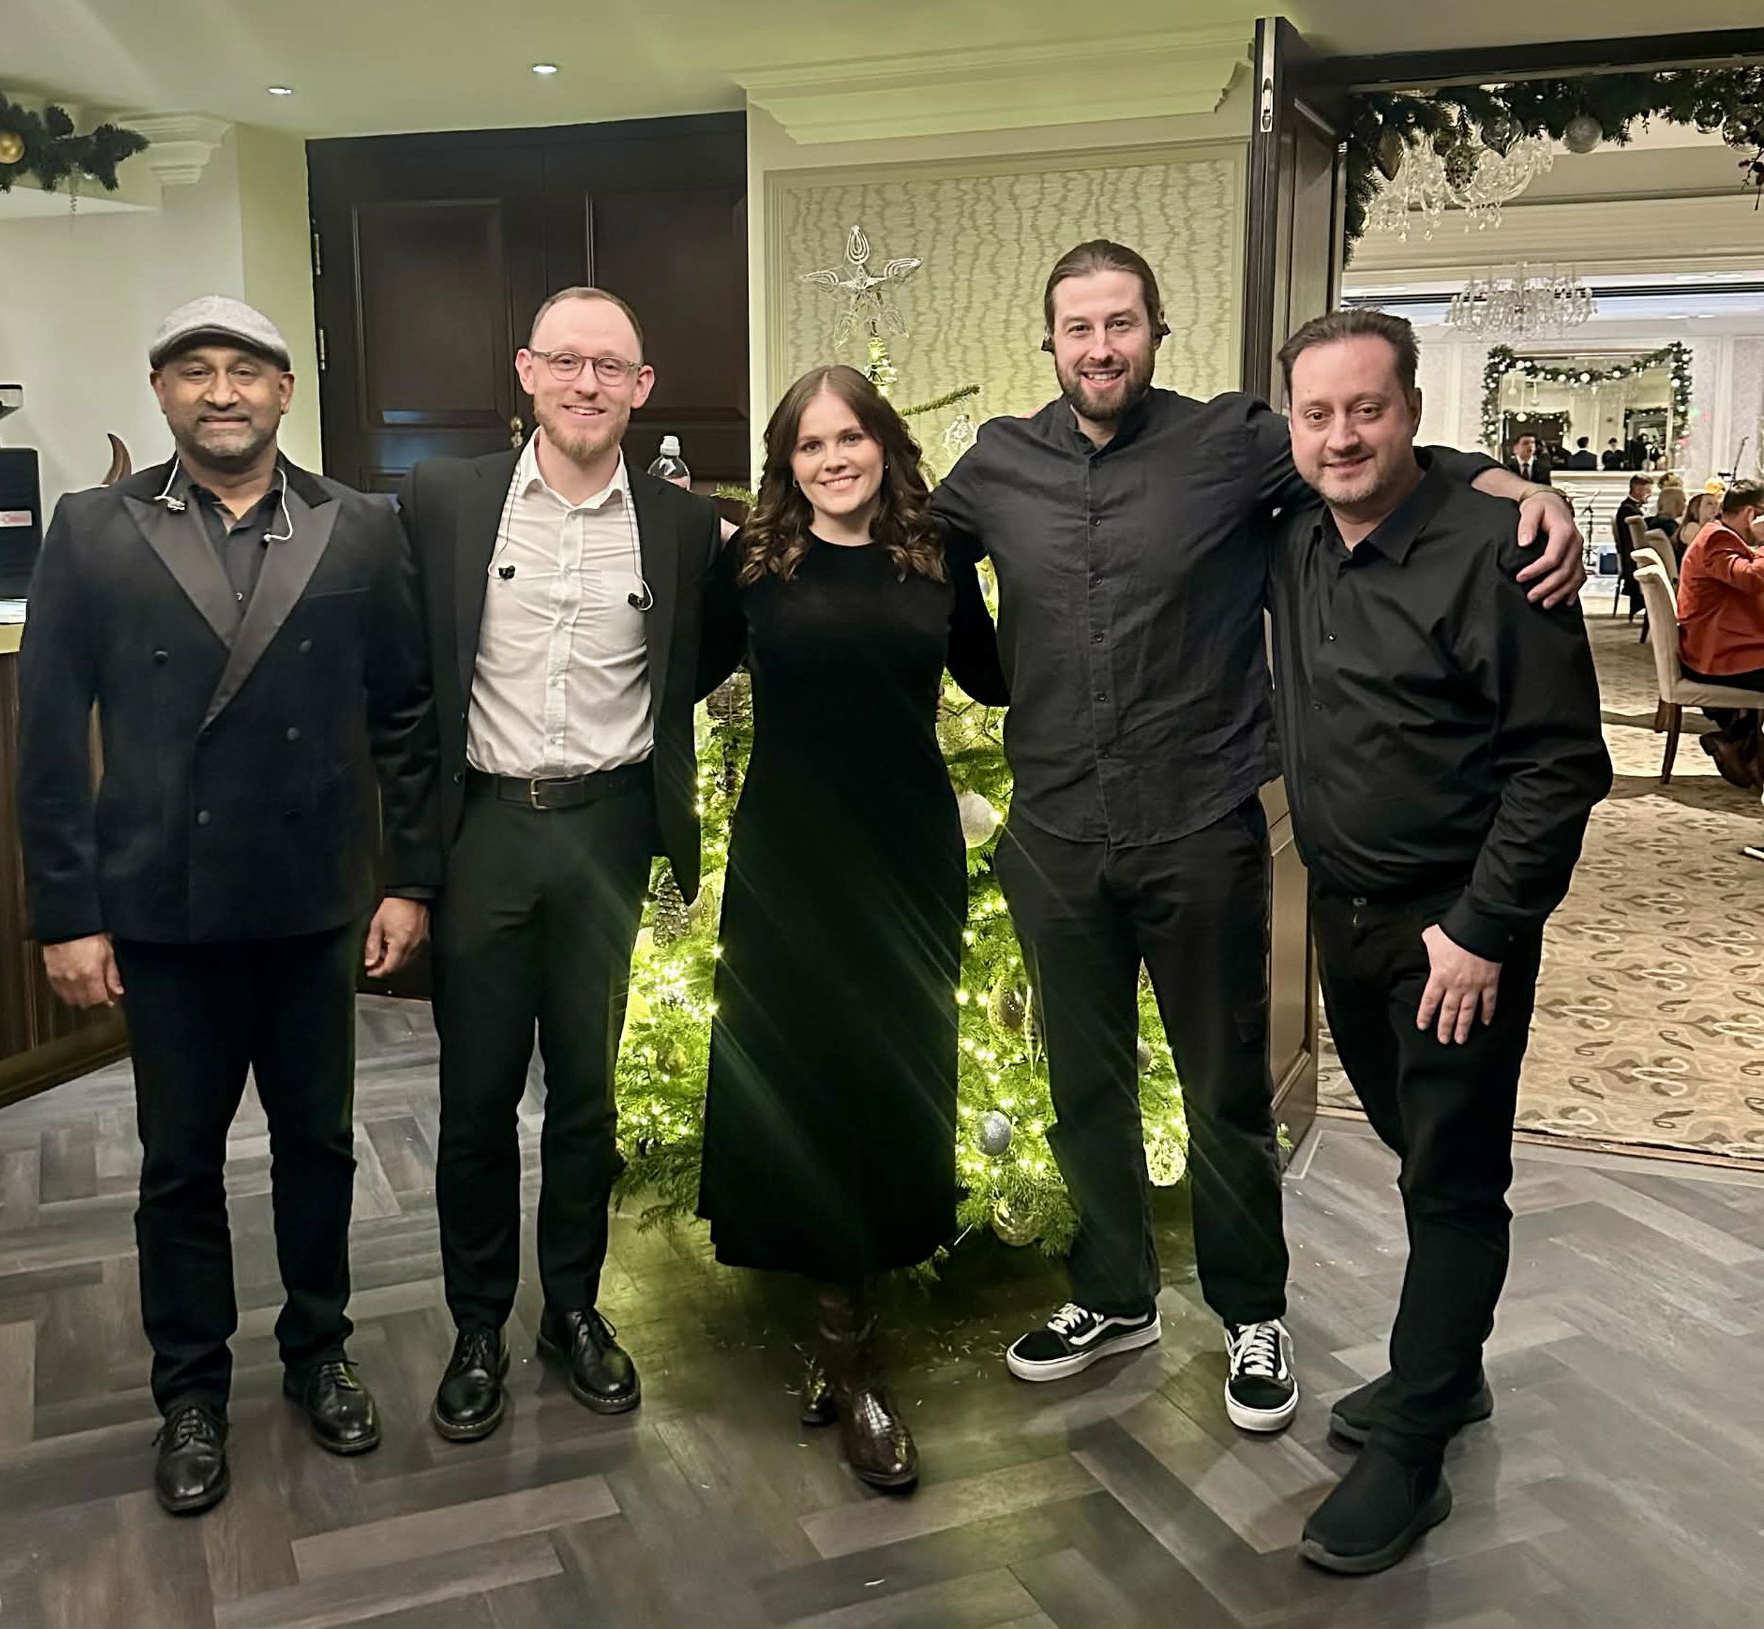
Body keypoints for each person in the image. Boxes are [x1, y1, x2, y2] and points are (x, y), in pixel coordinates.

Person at [928, 239, 1584, 1434]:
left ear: (1156, 331)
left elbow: (1370, 452)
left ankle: (1250, 1314)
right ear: (1051, 342)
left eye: (1122, 323)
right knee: (1082, 1087)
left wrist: (1513, 484)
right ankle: (1114, 1295)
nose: (1101, 347)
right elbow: (922, 556)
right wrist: (983, 666)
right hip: (1055, 829)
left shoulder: (1234, 442)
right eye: (1079, 327)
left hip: (1201, 825)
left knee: (1225, 1092)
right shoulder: (996, 463)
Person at [17, 296, 441, 1514]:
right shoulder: (92, 529)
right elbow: (48, 735)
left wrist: (409, 877)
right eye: (195, 371)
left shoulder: (360, 525)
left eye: (244, 371)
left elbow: (406, 715)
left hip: (313, 900)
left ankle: (320, 1351)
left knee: (319, 1147)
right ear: (160, 391)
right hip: (162, 904)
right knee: (178, 1166)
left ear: (283, 391)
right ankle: (191, 1393)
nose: (221, 392)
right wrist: (65, 911)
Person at [1268, 308, 1610, 1574]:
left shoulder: (1497, 553)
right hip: (1343, 919)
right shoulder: (1293, 533)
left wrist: (1482, 929)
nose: (1342, 435)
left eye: (1369, 409)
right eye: (1318, 413)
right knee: (1416, 1149)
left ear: (1412, 411)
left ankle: (1414, 1448)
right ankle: (1449, 1370)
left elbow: (1562, 765)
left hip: (1453, 935)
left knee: (1454, 1179)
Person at [397, 287, 721, 1442]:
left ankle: (574, 1308)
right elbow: (409, 683)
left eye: (612, 367)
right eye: (567, 362)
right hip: (484, 831)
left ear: (642, 387)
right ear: (527, 371)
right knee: (476, 1099)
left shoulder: (685, 527)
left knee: (588, 1096)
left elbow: (699, 660)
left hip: (608, 833)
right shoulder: (446, 500)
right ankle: (478, 1324)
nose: (589, 384)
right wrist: (403, 863)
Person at [692, 365, 1005, 1490]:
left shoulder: (935, 558)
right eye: (811, 445)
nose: (833, 459)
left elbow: (995, 677)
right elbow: (677, 672)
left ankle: (853, 1332)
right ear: (789, 462)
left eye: (851, 438)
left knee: (890, 1079)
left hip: (909, 859)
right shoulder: (753, 562)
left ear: (885, 445)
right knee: (802, 1081)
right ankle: (844, 1352)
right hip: (788, 863)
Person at [1677, 481, 1764, 783]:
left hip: (1724, 645)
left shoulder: (1720, 534)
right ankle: (1737, 741)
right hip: (1717, 655)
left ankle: (1735, 740)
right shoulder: (1717, 538)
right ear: (1752, 514)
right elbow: (1751, 578)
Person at [1615, 475, 1654, 613]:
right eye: (1648, 491)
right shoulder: (1629, 511)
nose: (1650, 495)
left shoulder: (1629, 508)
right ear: (1637, 489)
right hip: (1632, 560)